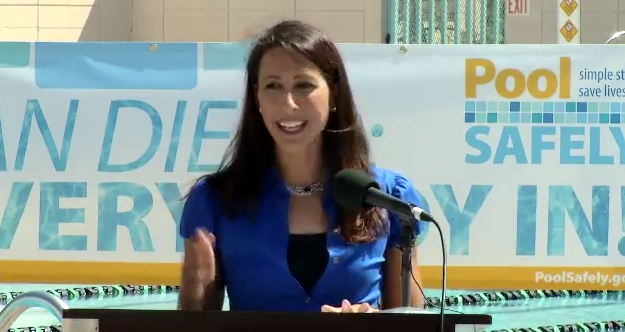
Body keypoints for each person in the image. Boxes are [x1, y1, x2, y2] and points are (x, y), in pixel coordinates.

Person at [177, 19, 425, 313]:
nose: (289, 103)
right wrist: (195, 292)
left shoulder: (387, 198)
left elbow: (411, 322)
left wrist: (371, 324)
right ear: (256, 97)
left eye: (304, 85)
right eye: (273, 86)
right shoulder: (214, 201)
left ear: (334, 93)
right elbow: (193, 324)